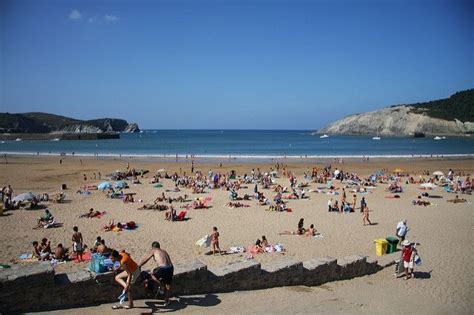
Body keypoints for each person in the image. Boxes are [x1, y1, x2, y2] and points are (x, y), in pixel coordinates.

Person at [138, 242, 174, 306]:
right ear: (159, 246)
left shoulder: (154, 250)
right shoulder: (164, 251)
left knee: (150, 275)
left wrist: (139, 265)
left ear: (153, 247)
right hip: (171, 267)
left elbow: (145, 260)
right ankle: (167, 300)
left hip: (162, 268)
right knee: (168, 284)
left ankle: (161, 286)